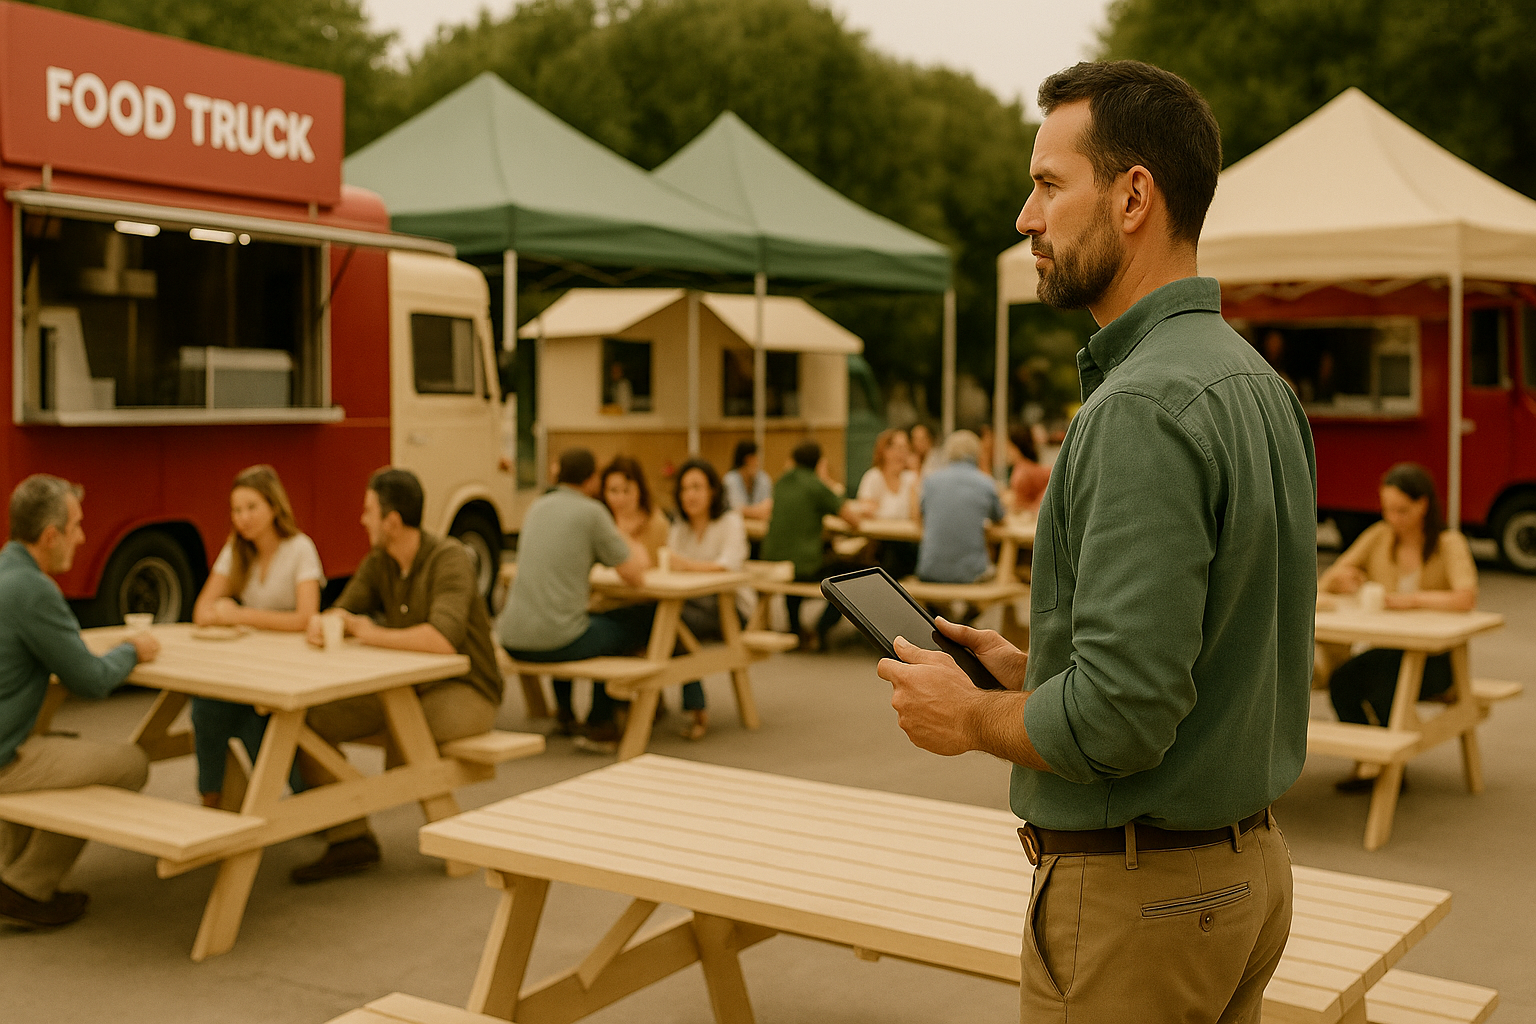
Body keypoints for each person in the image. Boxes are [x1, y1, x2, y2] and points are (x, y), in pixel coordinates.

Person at [877, 61, 1315, 1023]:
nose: (1025, 217)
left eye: (1047, 184)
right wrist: (1034, 671)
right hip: (1244, 875)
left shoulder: (1141, 406)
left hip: (1141, 904)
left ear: (1132, 197)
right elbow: (1213, 653)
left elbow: (1120, 719)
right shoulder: (1256, 384)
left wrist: (973, 718)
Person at [292, 468, 504, 883]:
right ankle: (350, 836)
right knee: (311, 720)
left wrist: (370, 633)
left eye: (368, 511)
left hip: (468, 688)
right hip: (405, 686)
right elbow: (345, 609)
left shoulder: (449, 559)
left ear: (391, 521)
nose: (362, 520)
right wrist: (325, 621)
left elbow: (442, 639)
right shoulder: (380, 562)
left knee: (406, 730)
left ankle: (439, 832)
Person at [0, 475, 158, 927]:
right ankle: (27, 886)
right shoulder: (33, 590)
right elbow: (91, 680)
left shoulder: (5, 572)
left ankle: (9, 871)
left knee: (58, 745)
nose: (83, 537)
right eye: (76, 527)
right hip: (4, 760)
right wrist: (132, 650)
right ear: (51, 536)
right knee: (131, 763)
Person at [1319, 463, 1476, 791]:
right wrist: (1343, 580)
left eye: (1402, 510)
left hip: (1436, 656)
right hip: (1389, 647)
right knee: (1343, 681)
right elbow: (1332, 575)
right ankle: (1369, 759)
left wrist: (1412, 600)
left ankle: (1391, 771)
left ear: (1423, 505)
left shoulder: (1448, 543)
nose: (1393, 518)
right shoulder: (1379, 536)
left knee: (1385, 685)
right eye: (1387, 509)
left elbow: (1465, 597)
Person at [497, 449, 650, 747]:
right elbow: (635, 575)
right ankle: (601, 722)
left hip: (511, 636)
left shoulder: (537, 507)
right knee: (633, 623)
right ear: (592, 479)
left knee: (569, 617)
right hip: (557, 642)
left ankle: (565, 713)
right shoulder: (592, 513)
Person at [189, 465, 320, 807]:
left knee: (256, 719)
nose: (243, 518)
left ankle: (304, 800)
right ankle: (212, 799)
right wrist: (223, 613)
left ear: (274, 507)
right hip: (247, 665)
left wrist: (240, 615)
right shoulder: (236, 550)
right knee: (205, 706)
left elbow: (306, 617)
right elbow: (201, 611)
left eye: (251, 508)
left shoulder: (300, 548)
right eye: (236, 510)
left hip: (290, 669)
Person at [666, 459, 753, 740]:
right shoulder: (680, 526)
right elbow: (669, 564)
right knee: (657, 618)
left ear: (713, 491)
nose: (689, 495)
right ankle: (659, 702)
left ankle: (695, 707)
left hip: (730, 608)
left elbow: (727, 566)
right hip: (690, 603)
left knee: (673, 624)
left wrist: (686, 566)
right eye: (684, 489)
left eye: (697, 487)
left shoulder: (730, 522)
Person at [761, 440, 863, 651]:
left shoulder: (780, 482)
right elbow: (853, 520)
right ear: (818, 463)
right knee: (847, 574)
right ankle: (821, 629)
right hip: (803, 566)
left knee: (795, 564)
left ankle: (796, 629)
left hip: (772, 560)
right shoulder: (816, 485)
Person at [914, 430, 1004, 585]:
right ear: (977, 453)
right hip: (971, 574)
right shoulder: (985, 483)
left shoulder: (930, 482)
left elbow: (919, 517)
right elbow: (1000, 518)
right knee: (1007, 577)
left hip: (929, 571)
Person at [600, 456, 668, 565]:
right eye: (614, 491)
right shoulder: (601, 523)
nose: (621, 498)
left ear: (640, 490)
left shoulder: (657, 523)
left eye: (626, 490)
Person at [856, 429, 919, 519]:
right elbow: (866, 511)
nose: (902, 453)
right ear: (885, 451)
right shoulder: (873, 477)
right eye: (898, 448)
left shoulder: (911, 478)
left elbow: (916, 515)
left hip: (904, 528)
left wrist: (916, 470)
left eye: (905, 448)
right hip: (879, 528)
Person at [722, 440, 773, 521]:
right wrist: (758, 512)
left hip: (759, 525)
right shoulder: (730, 479)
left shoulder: (763, 478)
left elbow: (769, 506)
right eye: (755, 458)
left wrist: (750, 512)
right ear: (747, 459)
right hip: (736, 524)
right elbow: (736, 509)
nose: (757, 462)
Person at [1007, 427, 1052, 514]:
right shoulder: (1021, 468)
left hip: (1029, 516)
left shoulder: (1023, 471)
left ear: (1015, 447)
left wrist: (1037, 505)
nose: (1006, 451)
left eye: (1008, 446)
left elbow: (1020, 503)